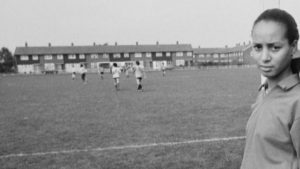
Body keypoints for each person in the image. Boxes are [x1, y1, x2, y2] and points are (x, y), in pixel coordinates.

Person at [240, 8, 300, 169]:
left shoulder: (297, 102)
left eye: (275, 47)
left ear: (293, 47)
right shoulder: (264, 91)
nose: (265, 57)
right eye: (258, 47)